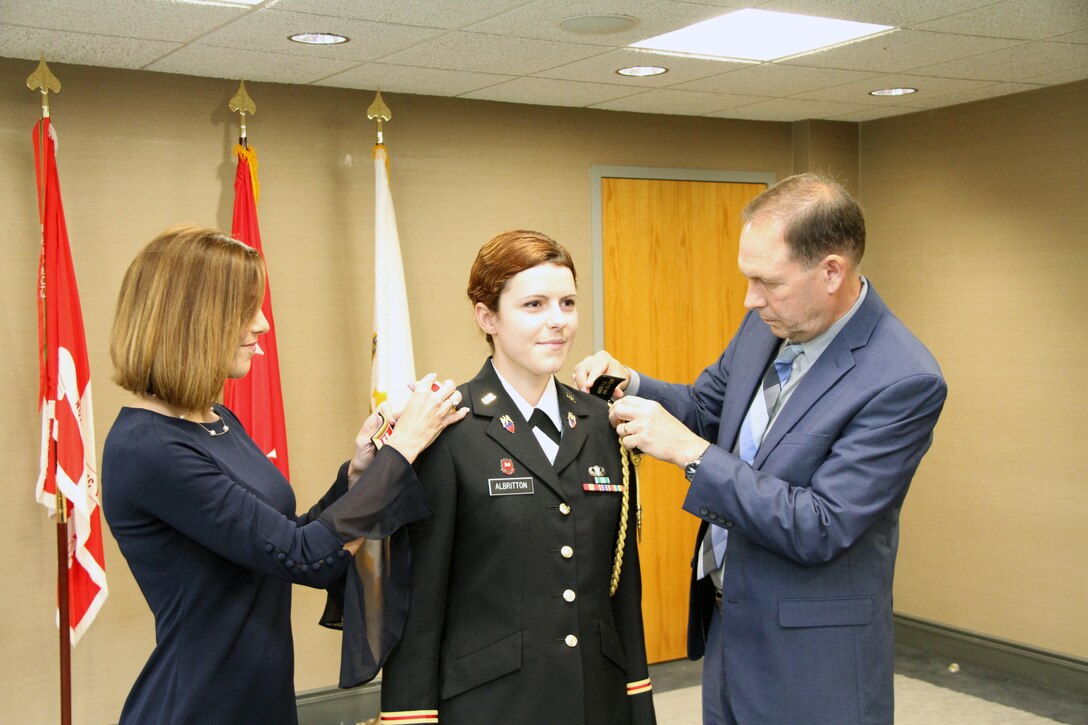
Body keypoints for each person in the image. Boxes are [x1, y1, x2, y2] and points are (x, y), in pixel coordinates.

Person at [574, 174, 947, 725]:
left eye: (766, 281)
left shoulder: (903, 379)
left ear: (831, 272)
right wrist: (634, 383)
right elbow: (707, 408)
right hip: (731, 629)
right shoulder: (768, 324)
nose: (750, 300)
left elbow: (820, 524)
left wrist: (691, 454)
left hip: (814, 660)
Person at [102, 226, 468, 725]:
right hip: (199, 707)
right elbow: (305, 560)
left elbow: (288, 537)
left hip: (262, 699)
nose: (263, 325)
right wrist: (401, 452)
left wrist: (361, 470)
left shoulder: (216, 419)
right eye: (245, 309)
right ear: (192, 320)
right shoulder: (149, 449)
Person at [379, 230, 656, 725]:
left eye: (567, 303)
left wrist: (638, 703)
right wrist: (409, 716)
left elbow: (623, 592)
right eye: (534, 304)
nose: (558, 321)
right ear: (487, 317)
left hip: (599, 699)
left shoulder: (603, 423)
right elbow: (419, 604)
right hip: (492, 703)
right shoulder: (447, 427)